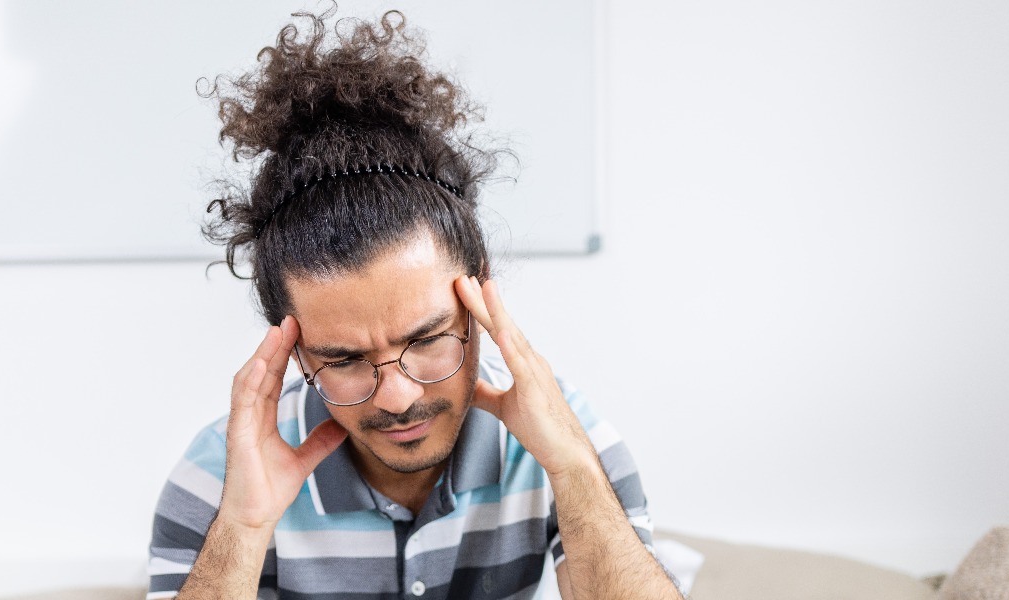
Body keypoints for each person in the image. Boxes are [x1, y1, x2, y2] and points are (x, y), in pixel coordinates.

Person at [148, 10, 682, 600]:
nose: (398, 398)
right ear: (294, 351)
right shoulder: (218, 477)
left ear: (480, 303)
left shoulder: (563, 439)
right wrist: (244, 529)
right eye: (345, 360)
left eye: (427, 341)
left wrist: (574, 470)